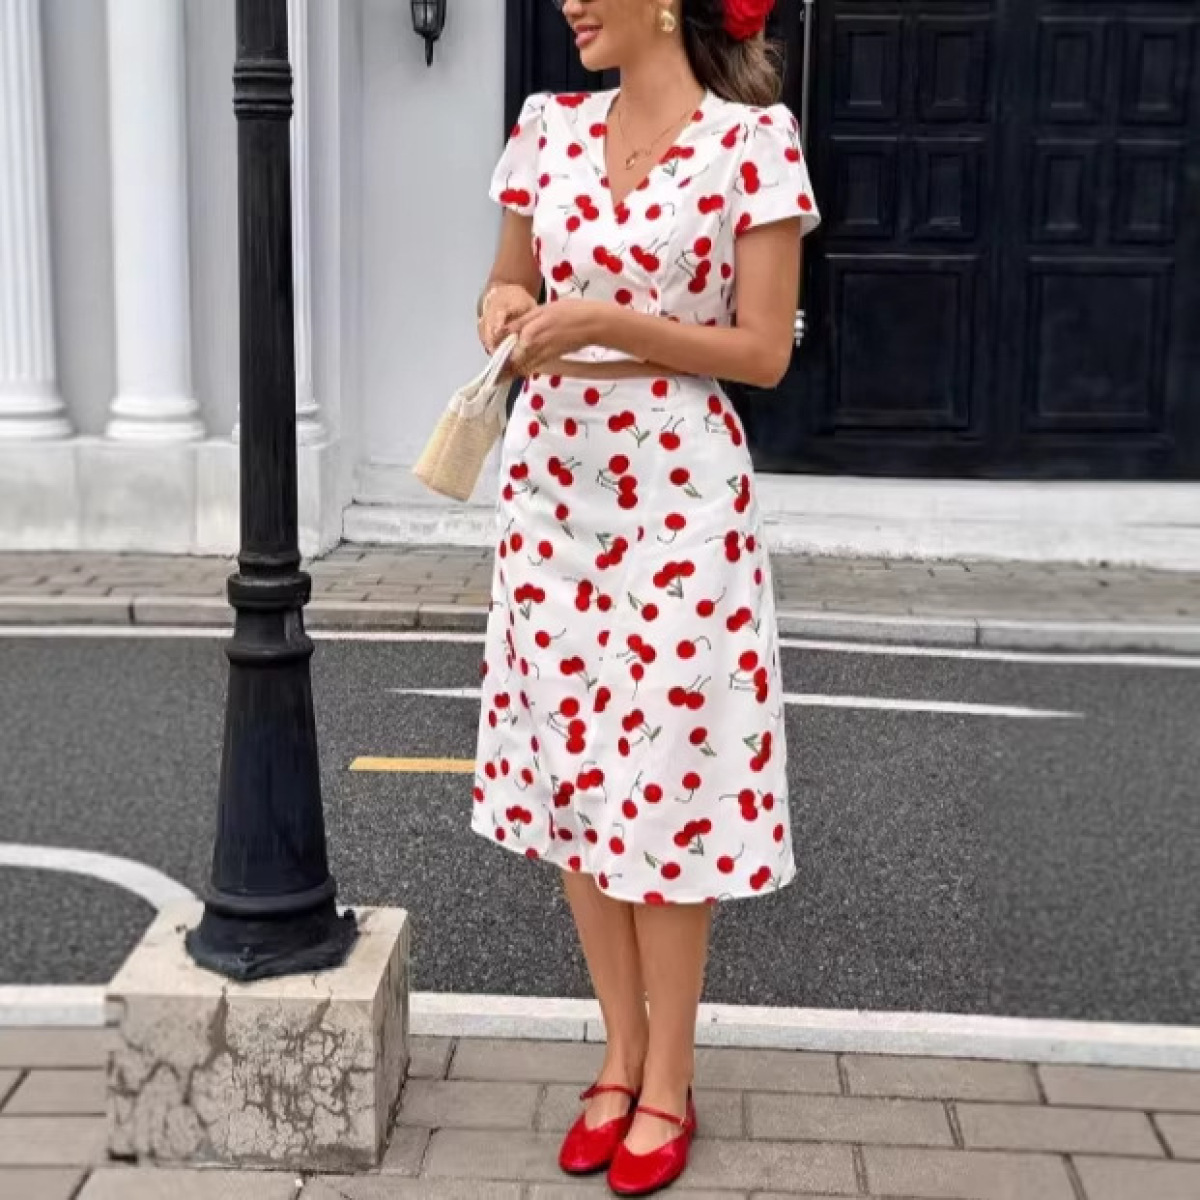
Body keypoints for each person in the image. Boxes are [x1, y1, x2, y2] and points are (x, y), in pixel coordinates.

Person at [472, 0, 819, 1192]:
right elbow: (505, 282)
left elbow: (764, 350)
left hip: (678, 494)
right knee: (578, 775)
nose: (570, 3)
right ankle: (617, 1055)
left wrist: (616, 322)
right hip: (552, 487)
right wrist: (503, 312)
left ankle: (670, 1075)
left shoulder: (752, 143)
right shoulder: (548, 128)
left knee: (665, 778)